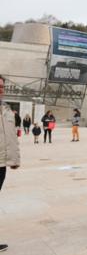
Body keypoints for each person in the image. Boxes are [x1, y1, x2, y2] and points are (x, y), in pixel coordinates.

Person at [0, 75, 20, 252]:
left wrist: (14, 159)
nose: (1, 89)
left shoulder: (5, 109)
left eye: (2, 87)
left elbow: (10, 136)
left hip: (2, 164)